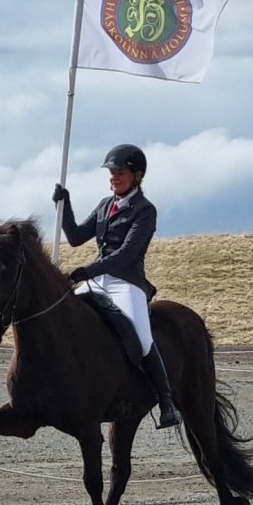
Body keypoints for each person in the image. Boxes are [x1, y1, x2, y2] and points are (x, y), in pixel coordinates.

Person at [53, 143, 181, 427]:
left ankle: (166, 400)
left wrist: (88, 269)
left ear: (136, 175)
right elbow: (75, 237)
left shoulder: (145, 211)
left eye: (119, 172)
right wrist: (64, 205)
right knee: (62, 312)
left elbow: (126, 253)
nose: (113, 177)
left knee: (143, 338)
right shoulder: (104, 205)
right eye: (111, 172)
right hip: (97, 278)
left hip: (127, 282)